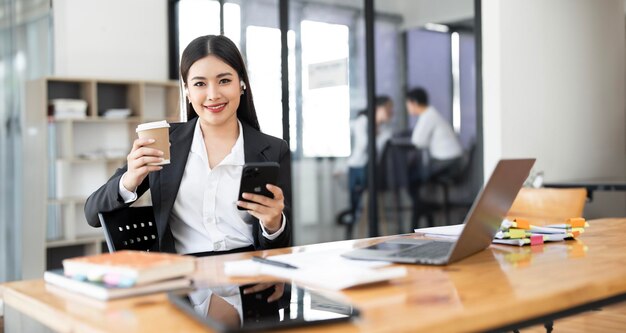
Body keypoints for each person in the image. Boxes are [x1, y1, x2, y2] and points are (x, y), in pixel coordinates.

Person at [84, 35, 292, 255]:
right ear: (187, 91)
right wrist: (130, 179)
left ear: (241, 84)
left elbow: (285, 246)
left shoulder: (273, 150)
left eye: (224, 80)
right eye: (200, 83)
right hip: (183, 278)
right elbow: (92, 213)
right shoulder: (165, 142)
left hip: (247, 274)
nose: (213, 95)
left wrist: (274, 224)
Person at [343, 96, 393, 238]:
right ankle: (350, 237)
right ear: (378, 108)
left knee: (366, 207)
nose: (391, 112)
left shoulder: (383, 128)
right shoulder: (362, 122)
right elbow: (364, 146)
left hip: (371, 170)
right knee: (355, 209)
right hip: (358, 168)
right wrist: (378, 135)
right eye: (388, 107)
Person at [406, 87, 463, 181]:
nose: (407, 108)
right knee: (414, 172)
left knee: (412, 177)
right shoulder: (430, 113)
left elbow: (417, 141)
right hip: (451, 159)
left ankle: (418, 196)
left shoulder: (428, 116)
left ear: (414, 103)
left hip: (448, 162)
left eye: (408, 105)